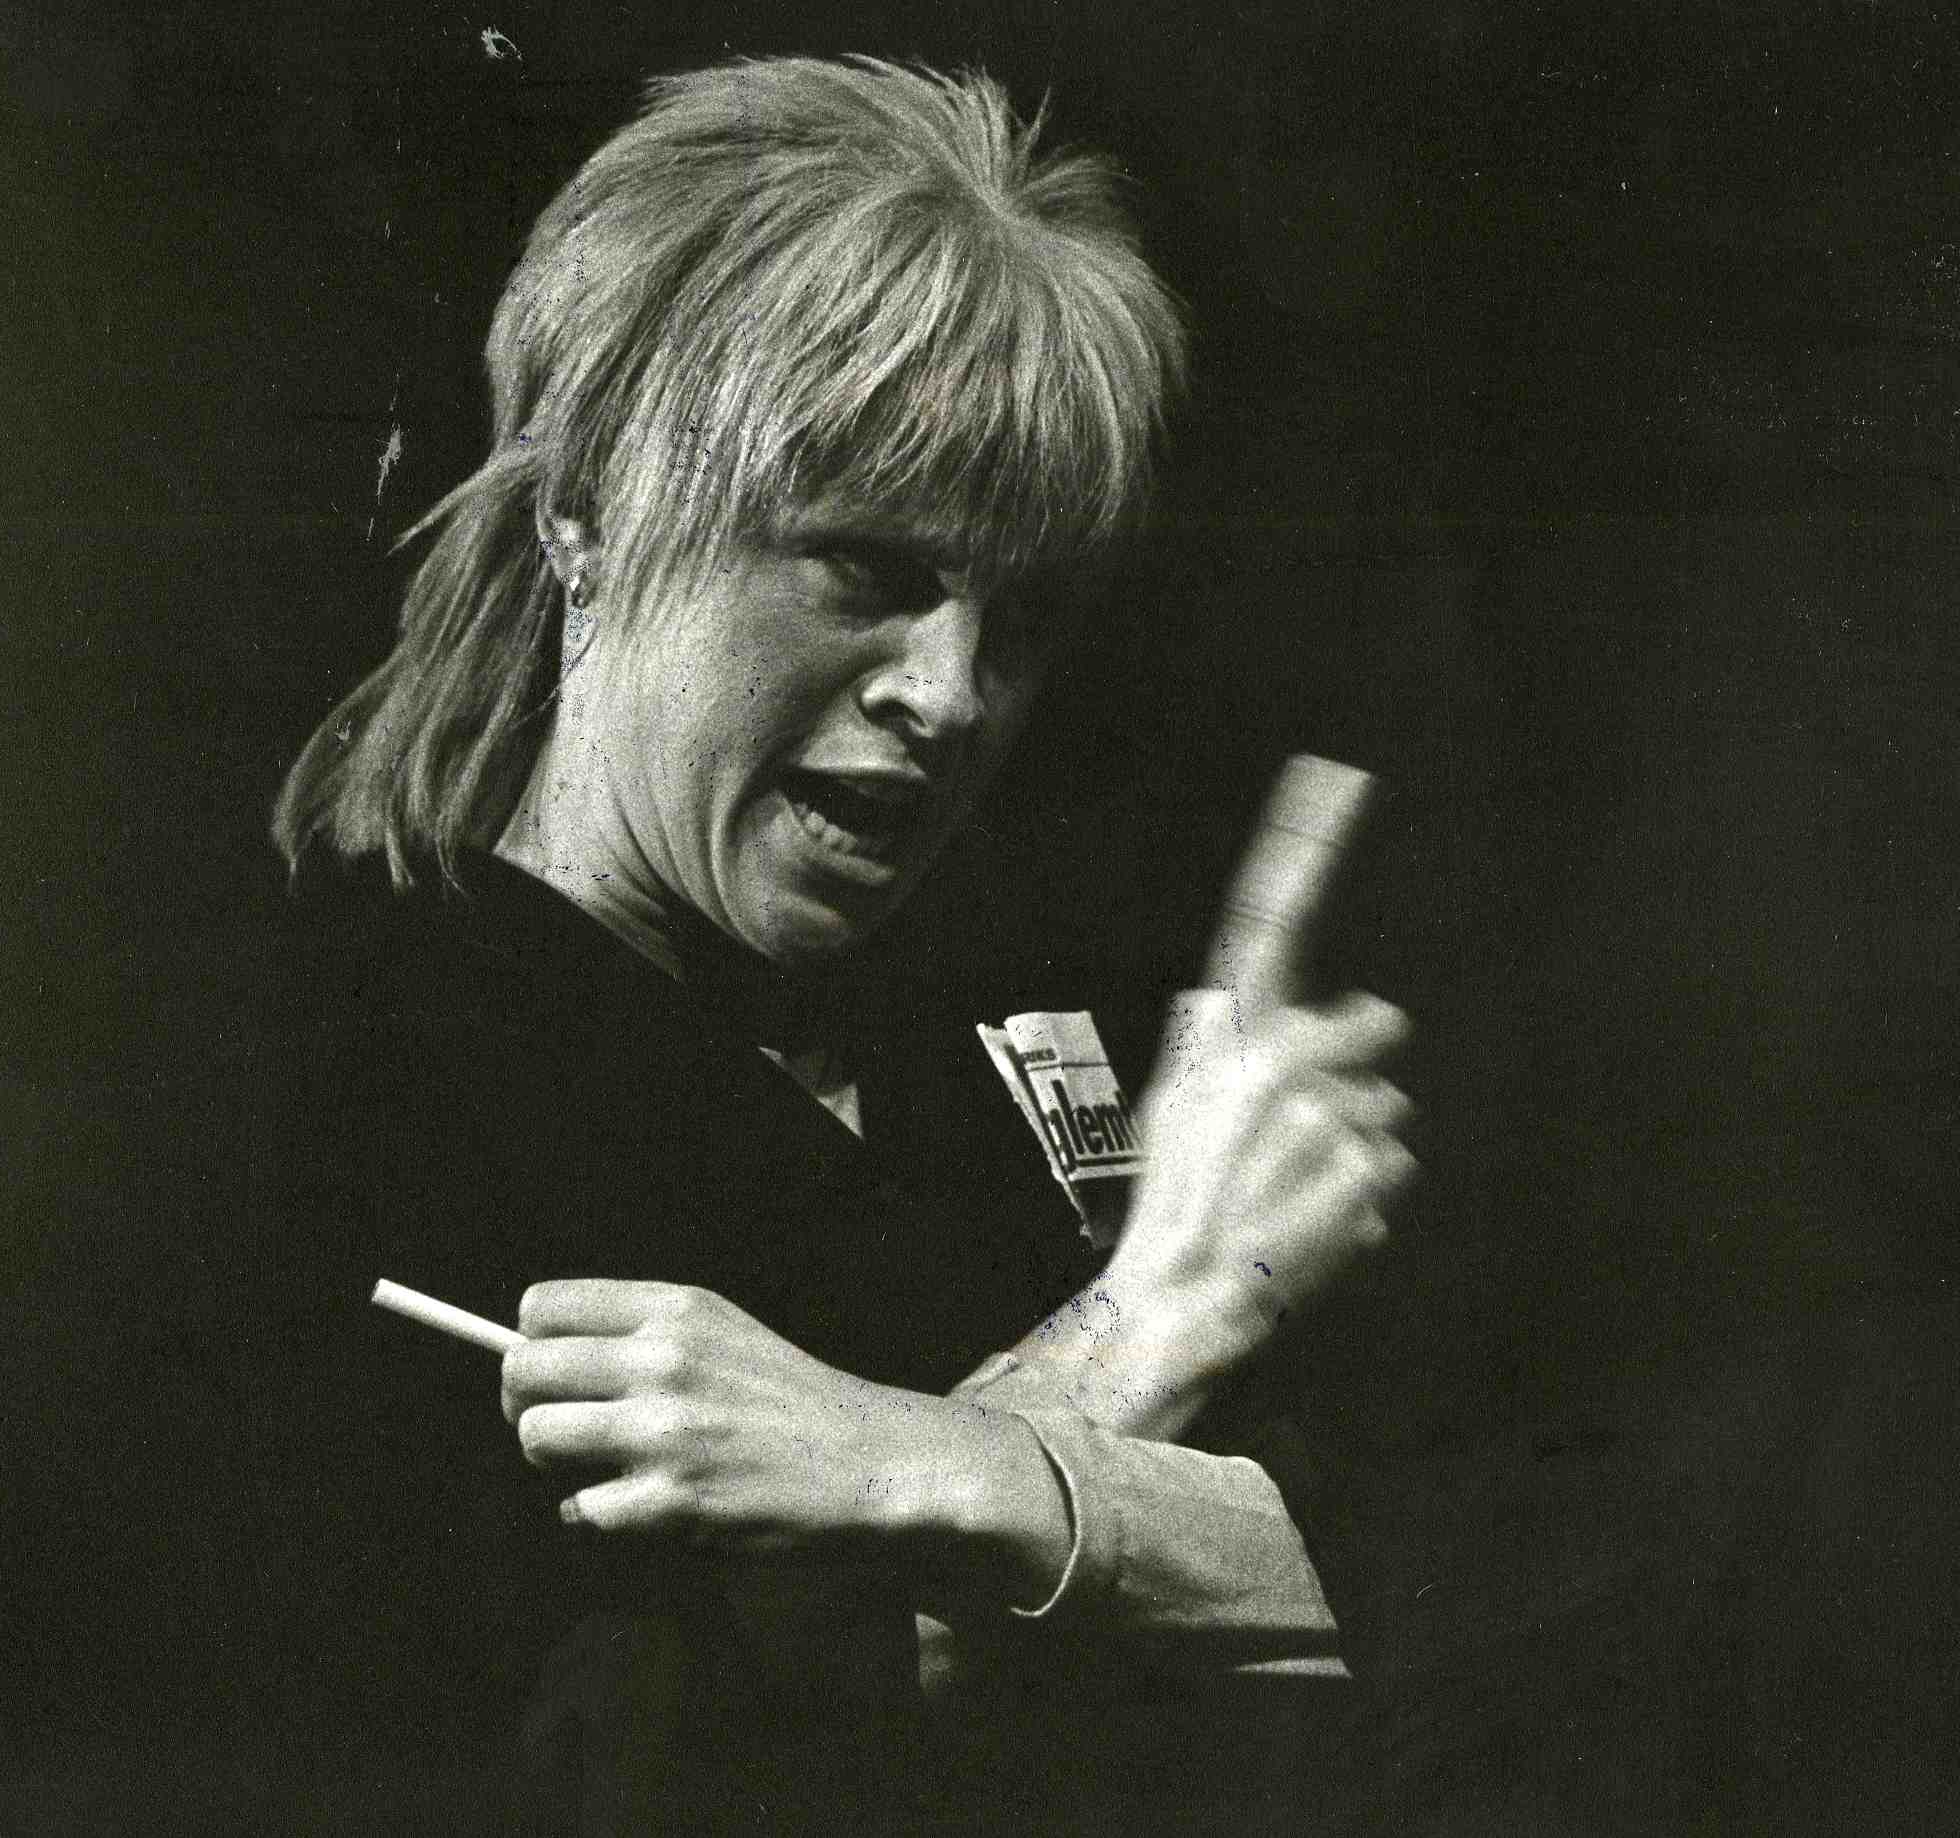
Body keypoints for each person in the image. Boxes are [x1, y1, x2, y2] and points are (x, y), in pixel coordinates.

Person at [246, 55, 1414, 1835]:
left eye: (1019, 616)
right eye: (863, 572)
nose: (952, 693)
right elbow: (672, 1750)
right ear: (586, 512)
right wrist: (1163, 1310)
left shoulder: (1008, 1011)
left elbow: (1425, 1594)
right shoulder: (347, 1087)